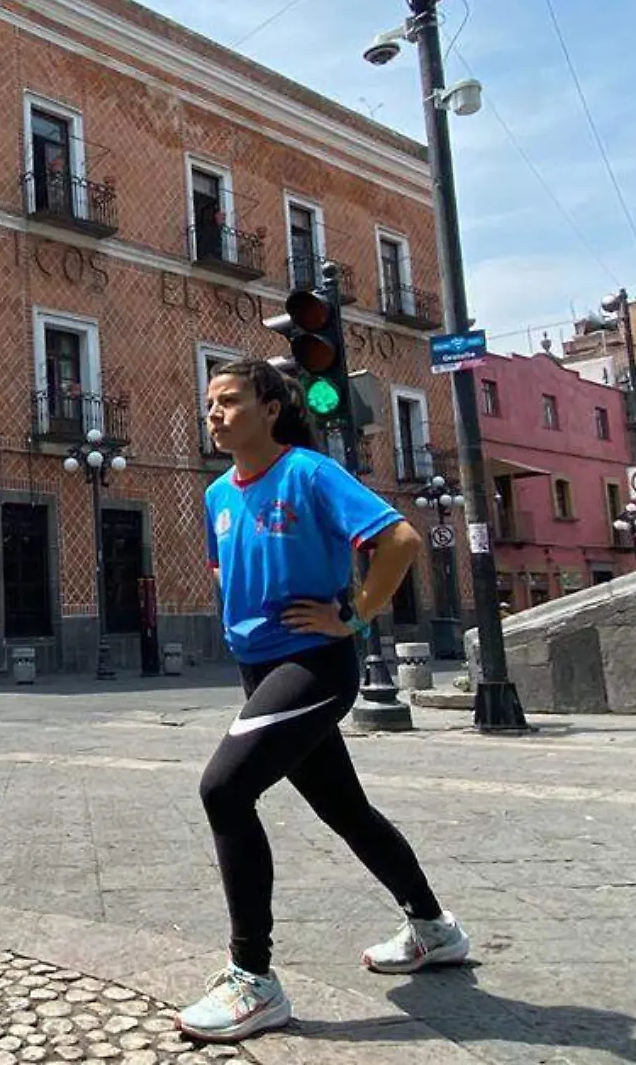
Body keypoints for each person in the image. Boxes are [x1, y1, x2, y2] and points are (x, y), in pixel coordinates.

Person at [178, 359, 467, 1044]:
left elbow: (399, 539)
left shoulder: (309, 471)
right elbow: (226, 567)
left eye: (228, 401)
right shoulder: (219, 493)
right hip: (259, 669)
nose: (214, 414)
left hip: (312, 665)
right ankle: (433, 928)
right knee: (346, 809)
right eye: (210, 404)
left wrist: (358, 613)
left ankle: (254, 979)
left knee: (223, 790)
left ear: (270, 407)